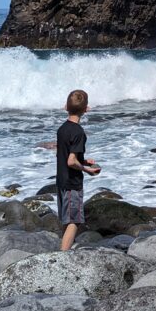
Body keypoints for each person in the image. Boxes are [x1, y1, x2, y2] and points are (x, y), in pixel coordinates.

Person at [57, 89, 101, 251]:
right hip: (72, 183)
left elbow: (65, 154)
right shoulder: (78, 132)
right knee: (74, 221)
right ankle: (63, 256)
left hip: (61, 180)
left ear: (66, 107)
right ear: (86, 109)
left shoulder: (62, 129)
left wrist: (83, 160)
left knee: (66, 219)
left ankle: (63, 249)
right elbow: (71, 161)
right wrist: (86, 169)